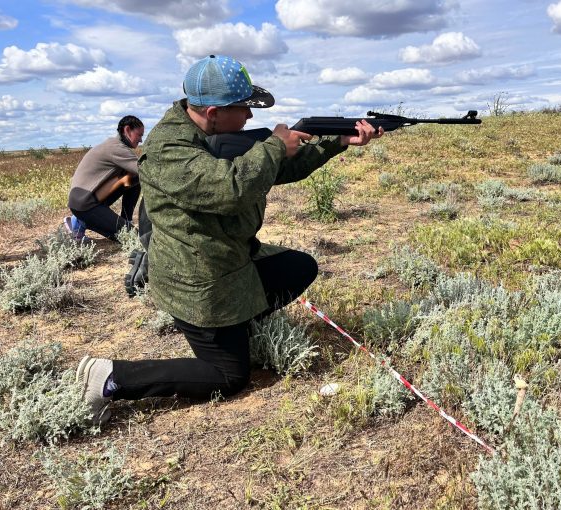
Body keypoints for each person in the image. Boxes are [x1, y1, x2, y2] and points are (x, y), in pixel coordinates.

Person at [75, 54, 383, 425]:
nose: (250, 117)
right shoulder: (168, 150)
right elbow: (231, 188)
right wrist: (272, 146)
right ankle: (110, 377)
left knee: (299, 267)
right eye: (243, 108)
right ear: (214, 112)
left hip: (226, 261)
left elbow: (275, 170)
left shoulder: (211, 133)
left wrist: (338, 141)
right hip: (197, 281)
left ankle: (236, 325)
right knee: (229, 377)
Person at [64, 115, 144, 241]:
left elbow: (135, 174)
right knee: (135, 238)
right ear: (127, 130)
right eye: (139, 135)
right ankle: (81, 222)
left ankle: (80, 221)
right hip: (86, 204)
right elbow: (145, 171)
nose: (140, 140)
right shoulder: (116, 148)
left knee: (133, 179)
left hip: (86, 199)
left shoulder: (113, 144)